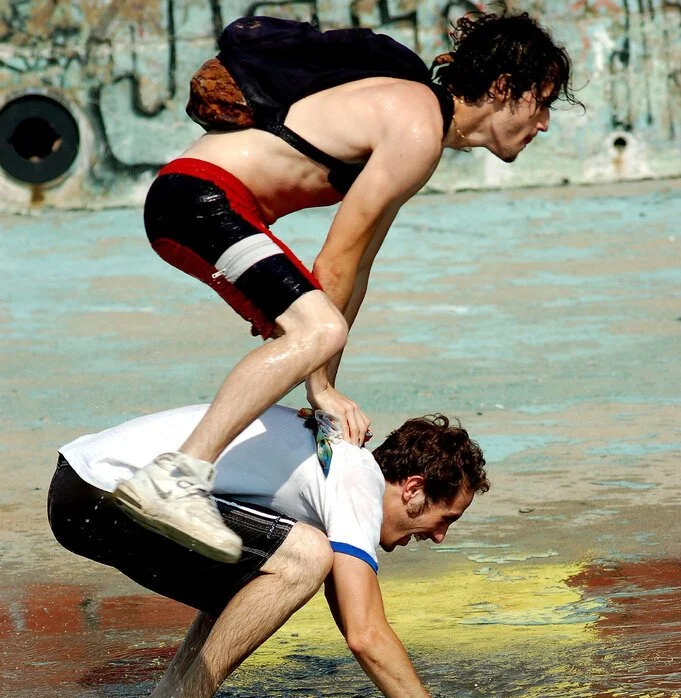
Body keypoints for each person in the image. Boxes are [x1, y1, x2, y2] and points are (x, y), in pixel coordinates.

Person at [112, 11, 576, 564]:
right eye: (543, 101)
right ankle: (175, 478)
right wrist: (321, 387)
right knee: (317, 328)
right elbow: (336, 257)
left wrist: (324, 384)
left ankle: (182, 475)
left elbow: (359, 268)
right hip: (201, 201)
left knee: (315, 331)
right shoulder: (416, 124)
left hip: (204, 205)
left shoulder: (418, 123)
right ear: (504, 89)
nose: (544, 122)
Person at [48, 403, 526, 698]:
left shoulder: (344, 473)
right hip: (104, 489)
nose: (440, 536)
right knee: (305, 555)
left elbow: (351, 614)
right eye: (447, 519)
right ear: (413, 488)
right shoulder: (357, 482)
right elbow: (365, 633)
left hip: (82, 488)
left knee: (272, 565)